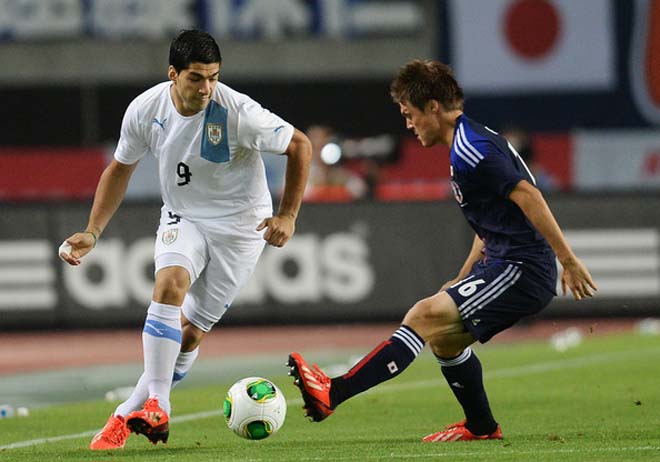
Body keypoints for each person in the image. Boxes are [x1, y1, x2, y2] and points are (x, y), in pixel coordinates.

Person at [287, 59, 596, 442]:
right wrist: (466, 274)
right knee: (444, 339)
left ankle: (333, 393)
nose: (408, 124)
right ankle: (482, 426)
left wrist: (567, 259)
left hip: (522, 267)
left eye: (409, 114)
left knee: (424, 314)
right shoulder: (467, 143)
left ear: (433, 107)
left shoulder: (472, 149)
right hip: (503, 262)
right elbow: (490, 220)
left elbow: (528, 195)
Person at [59, 29, 311, 450]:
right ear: (173, 74)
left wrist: (287, 214)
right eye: (196, 77)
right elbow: (120, 168)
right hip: (184, 216)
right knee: (169, 283)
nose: (207, 88)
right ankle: (160, 404)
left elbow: (300, 146)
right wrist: (93, 231)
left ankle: (125, 414)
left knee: (190, 334)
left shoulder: (237, 112)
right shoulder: (145, 109)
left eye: (213, 77)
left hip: (241, 228)